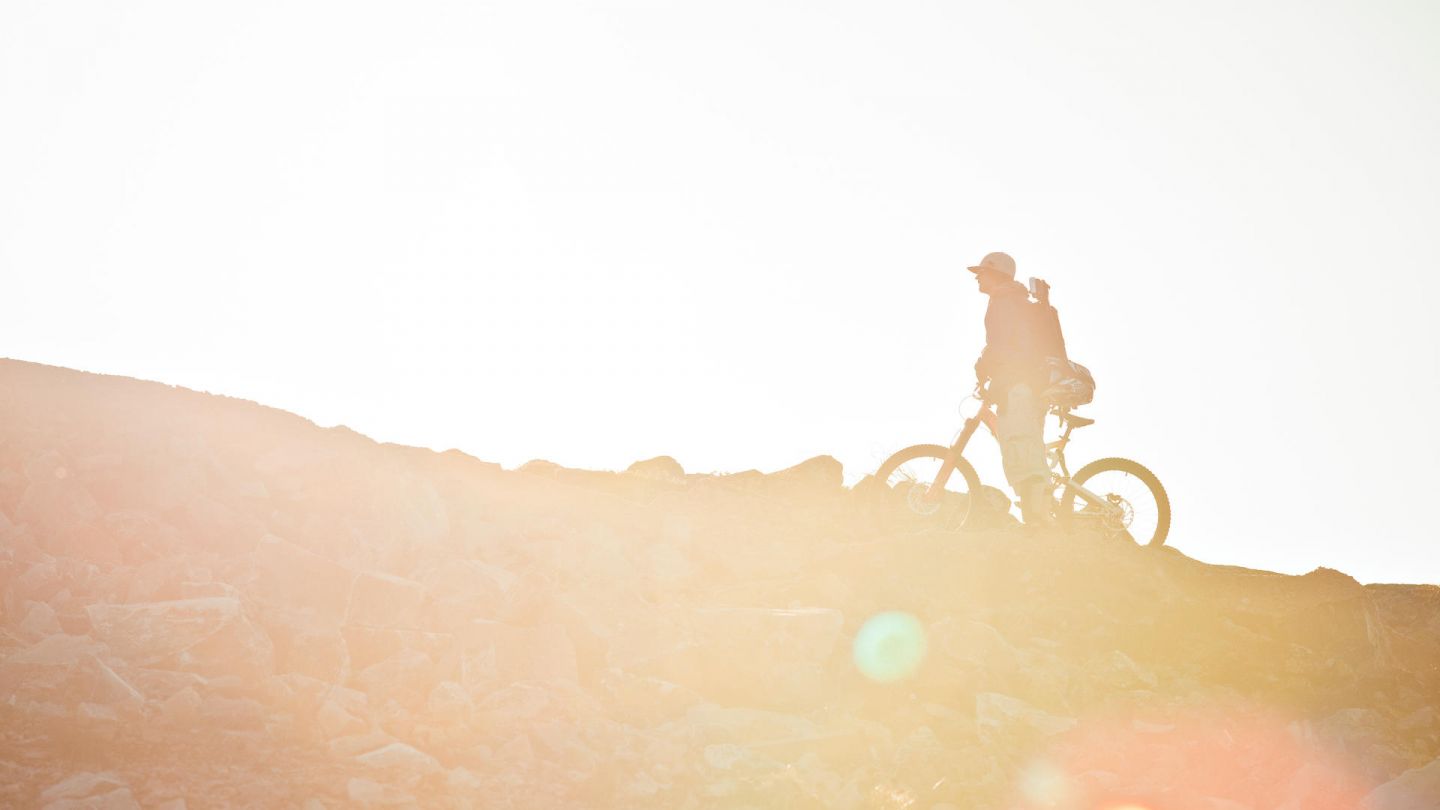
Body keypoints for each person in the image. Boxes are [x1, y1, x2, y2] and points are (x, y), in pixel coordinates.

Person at [968, 251, 1055, 528]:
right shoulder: (1012, 301)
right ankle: (1038, 516)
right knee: (1022, 446)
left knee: (1021, 446)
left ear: (996, 273)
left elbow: (1004, 345)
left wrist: (984, 363)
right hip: (1022, 386)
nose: (977, 277)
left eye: (981, 272)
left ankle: (1040, 521)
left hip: (1020, 387)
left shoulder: (1005, 302)